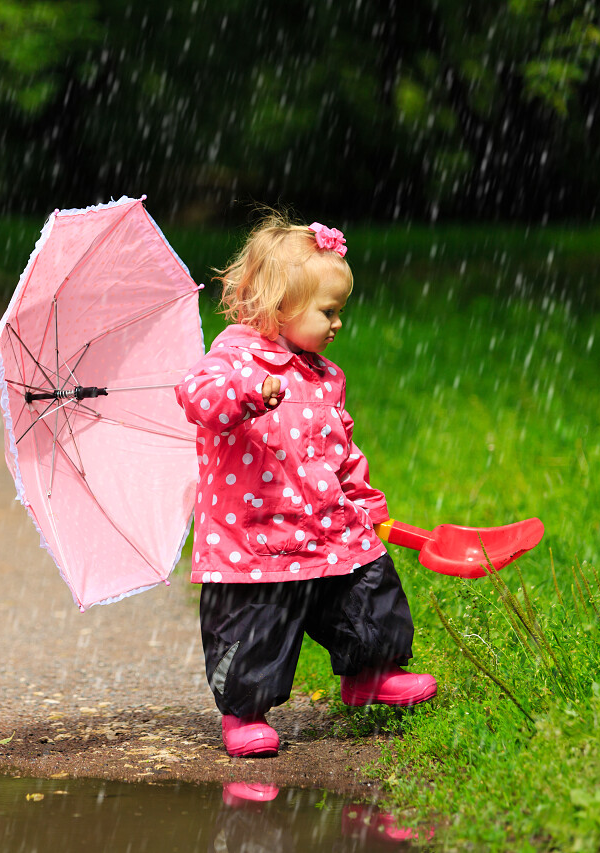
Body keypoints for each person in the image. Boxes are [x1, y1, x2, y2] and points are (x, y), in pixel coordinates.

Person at [174, 213, 436, 758]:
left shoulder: (324, 374)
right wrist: (248, 392)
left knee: (367, 584)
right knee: (255, 624)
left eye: (338, 310)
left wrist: (361, 498)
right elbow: (199, 397)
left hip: (325, 522)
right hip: (257, 534)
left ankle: (370, 671)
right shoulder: (232, 358)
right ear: (278, 306)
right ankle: (244, 713)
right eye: (328, 311)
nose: (337, 323)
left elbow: (339, 444)